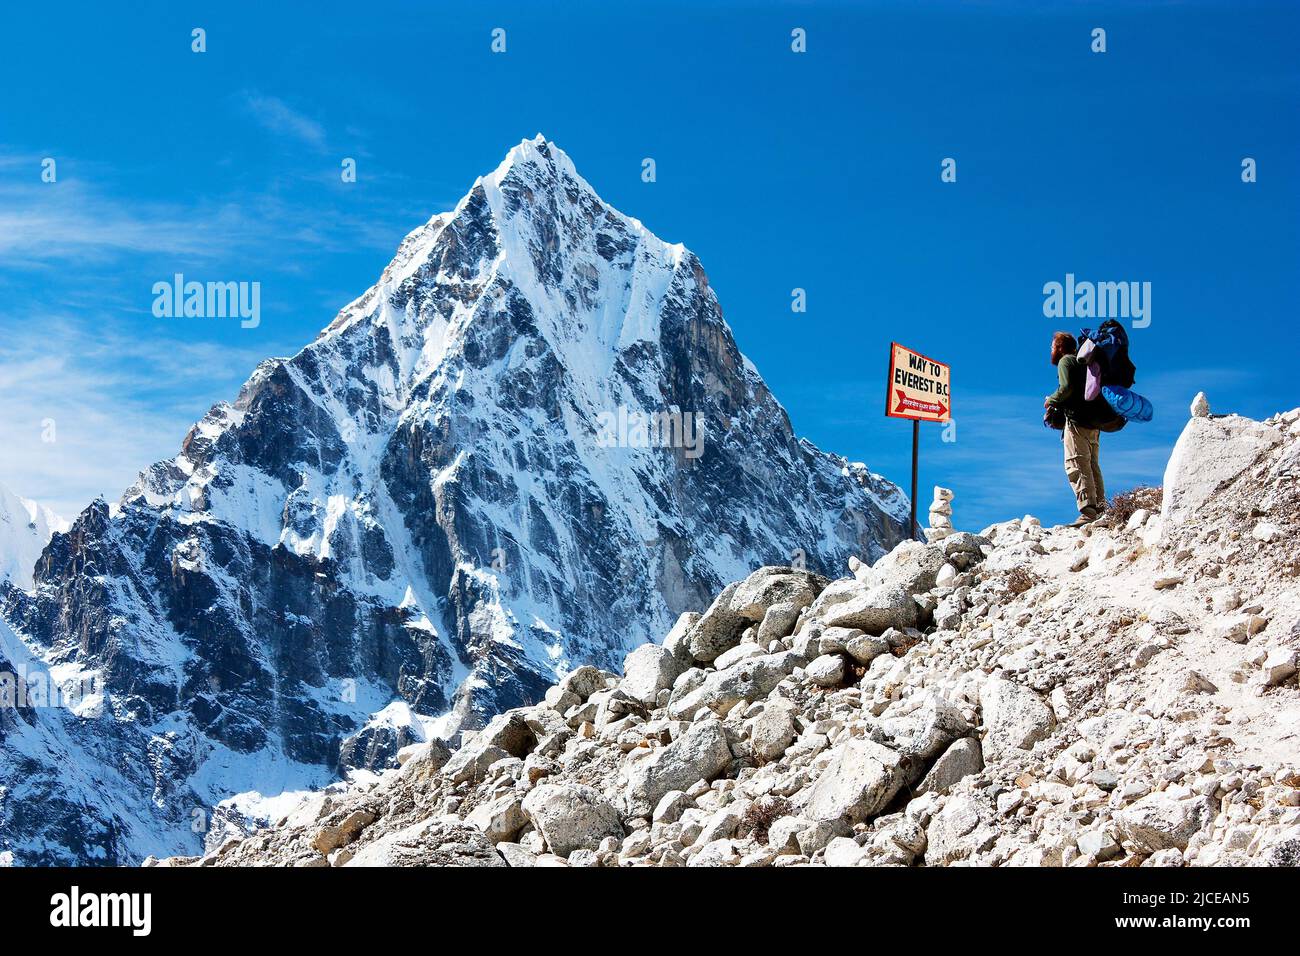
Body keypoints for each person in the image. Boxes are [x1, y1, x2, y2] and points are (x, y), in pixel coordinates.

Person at [1044, 331, 1114, 526]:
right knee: (1092, 465)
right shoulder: (1084, 363)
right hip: (1094, 423)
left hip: (1077, 422)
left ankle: (1088, 511)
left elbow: (1066, 388)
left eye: (1052, 347)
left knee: (1076, 463)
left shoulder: (1066, 361)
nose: (1051, 351)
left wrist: (1051, 399)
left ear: (1059, 347)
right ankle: (1101, 508)